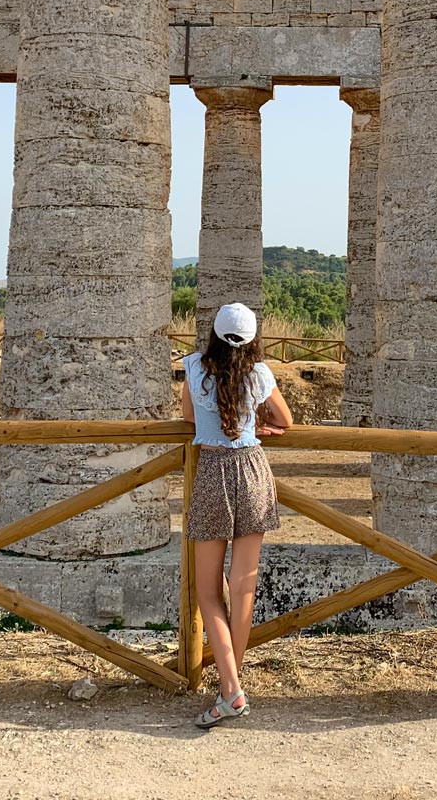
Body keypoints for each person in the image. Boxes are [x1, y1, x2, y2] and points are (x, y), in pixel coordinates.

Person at [180, 301, 293, 728]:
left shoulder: (193, 367)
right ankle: (232, 684)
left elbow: (190, 419)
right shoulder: (260, 373)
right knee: (242, 588)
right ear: (252, 339)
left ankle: (230, 691)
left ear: (213, 332)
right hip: (253, 470)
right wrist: (258, 423)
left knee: (207, 592)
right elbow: (286, 419)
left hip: (212, 472)